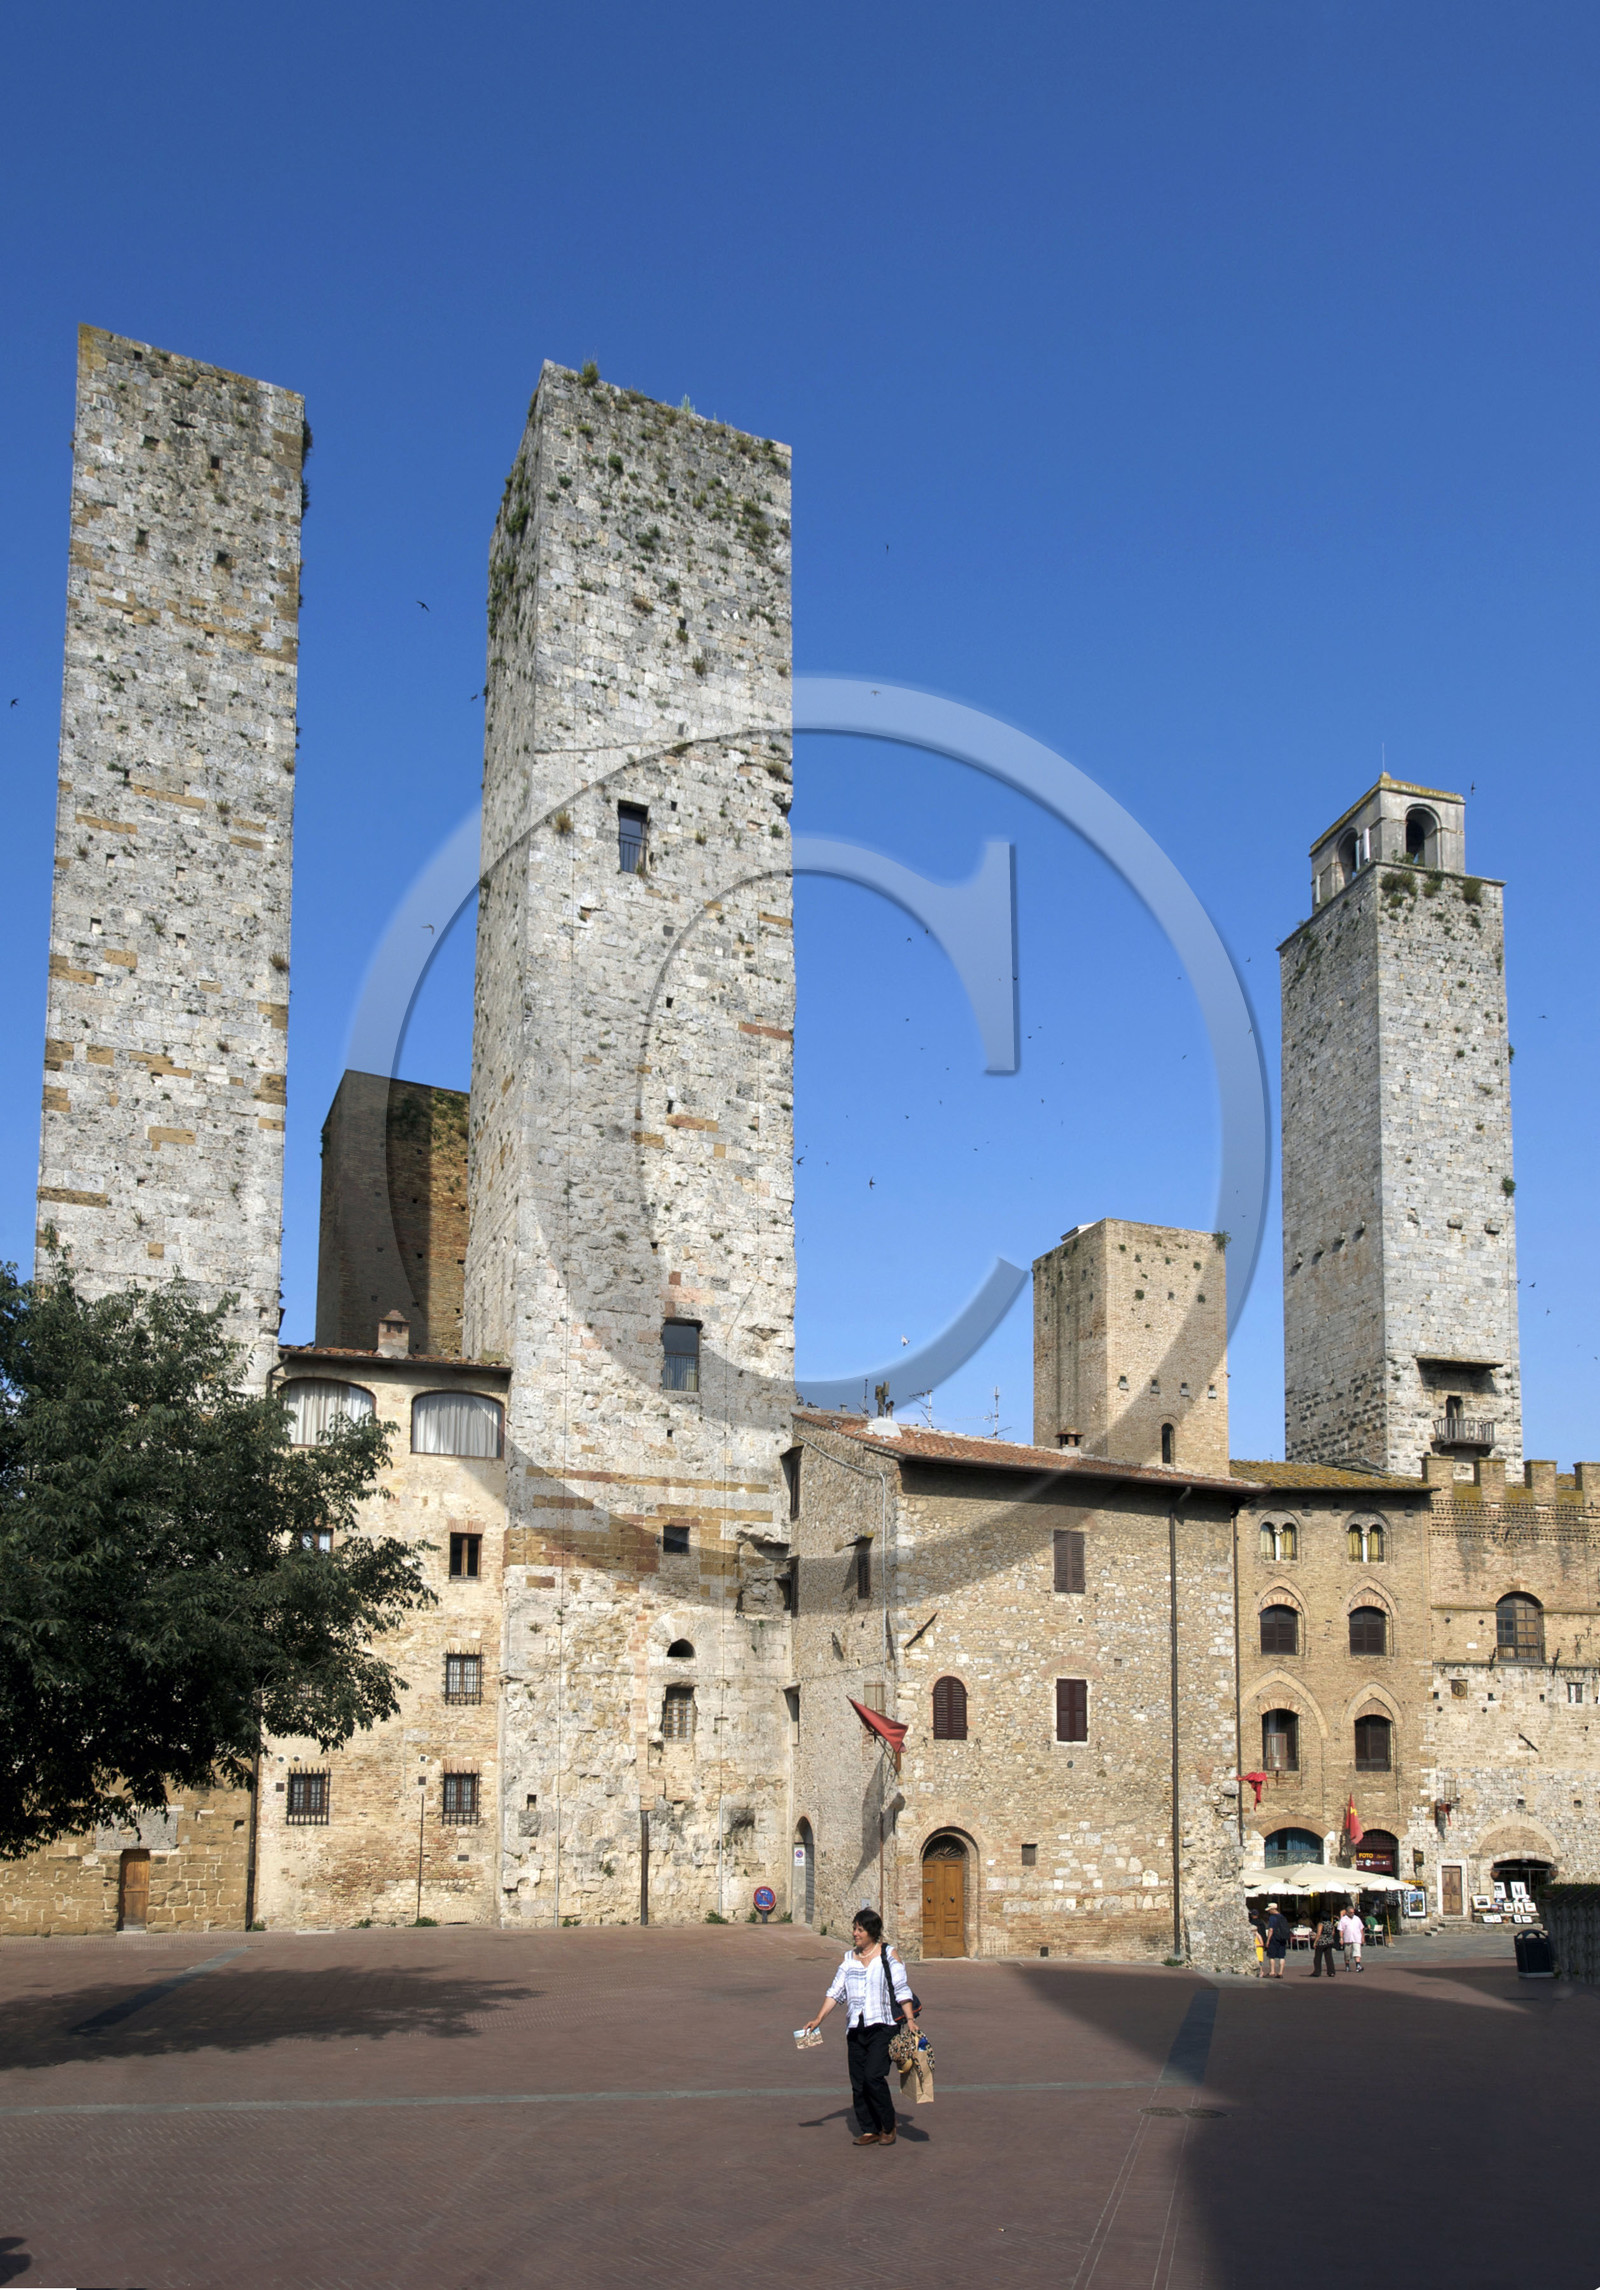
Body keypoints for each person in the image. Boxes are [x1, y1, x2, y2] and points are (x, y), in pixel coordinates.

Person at [803, 1906, 919, 2146]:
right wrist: (818, 2019)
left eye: (860, 1929)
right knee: (858, 2082)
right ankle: (869, 2128)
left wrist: (910, 2019)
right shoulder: (848, 1959)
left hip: (884, 2026)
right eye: (854, 1928)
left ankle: (888, 2124)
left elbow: (901, 1989)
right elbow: (835, 1992)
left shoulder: (888, 1955)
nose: (855, 1933)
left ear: (872, 1933)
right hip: (856, 2028)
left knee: (873, 2076)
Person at [1261, 1901, 1290, 1979]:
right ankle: (1280, 1972)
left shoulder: (1272, 1917)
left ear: (1272, 1909)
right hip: (1282, 1938)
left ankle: (1272, 1971)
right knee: (1282, 1956)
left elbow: (1271, 1930)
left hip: (1274, 1938)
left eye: (1269, 1910)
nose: (1269, 1911)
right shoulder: (1282, 1917)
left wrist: (1267, 1940)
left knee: (1271, 1956)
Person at [1311, 1910, 1339, 1977]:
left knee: (1317, 1957)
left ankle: (1317, 1972)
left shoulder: (1321, 1924)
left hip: (1321, 1942)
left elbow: (1319, 1934)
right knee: (1329, 1957)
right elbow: (1333, 1933)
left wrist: (1315, 1942)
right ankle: (1331, 1971)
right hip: (1329, 1941)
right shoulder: (1330, 1923)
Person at [1338, 1905, 1364, 1971]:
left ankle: (1358, 1965)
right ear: (1347, 1912)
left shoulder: (1357, 1918)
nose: (1352, 1913)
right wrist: (1341, 1938)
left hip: (1356, 1938)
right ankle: (1347, 1966)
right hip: (1348, 1938)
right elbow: (1341, 1929)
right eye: (1350, 1912)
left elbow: (1361, 1928)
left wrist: (1362, 1937)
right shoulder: (1343, 1919)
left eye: (1353, 1912)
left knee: (1357, 1951)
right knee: (1347, 1953)